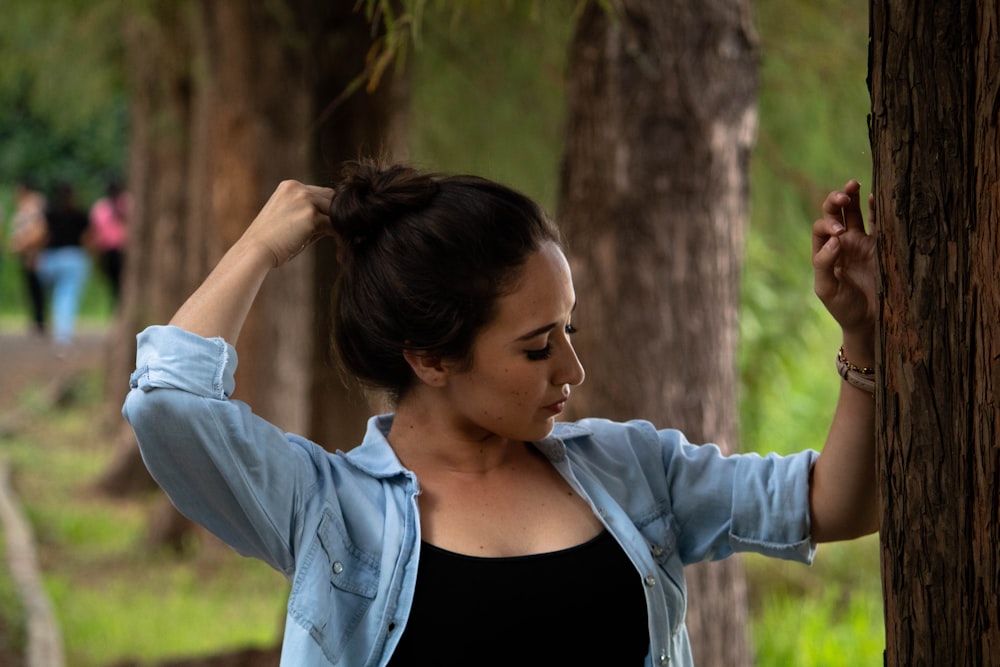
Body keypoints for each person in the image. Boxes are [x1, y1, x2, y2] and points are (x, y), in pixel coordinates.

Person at [123, 161, 877, 666]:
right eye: (536, 347)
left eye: (568, 332)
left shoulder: (633, 471)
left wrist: (860, 333)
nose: (571, 370)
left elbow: (834, 502)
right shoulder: (328, 510)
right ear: (431, 358)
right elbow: (168, 402)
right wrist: (260, 245)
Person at [36, 182, 92, 349]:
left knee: (58, 295)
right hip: (74, 258)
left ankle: (58, 330)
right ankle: (63, 334)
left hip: (51, 259)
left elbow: (42, 235)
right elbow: (87, 238)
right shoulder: (79, 214)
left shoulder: (49, 213)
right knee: (67, 296)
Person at [9, 180, 49, 335]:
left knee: (37, 288)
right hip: (26, 254)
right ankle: (36, 319)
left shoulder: (34, 206)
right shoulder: (23, 206)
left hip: (35, 253)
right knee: (31, 288)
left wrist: (24, 244)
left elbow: (39, 230)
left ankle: (40, 320)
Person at [88, 178, 129, 307]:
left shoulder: (127, 203)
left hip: (125, 249)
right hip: (109, 251)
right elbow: (95, 232)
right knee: (113, 282)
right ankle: (117, 306)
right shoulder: (101, 208)